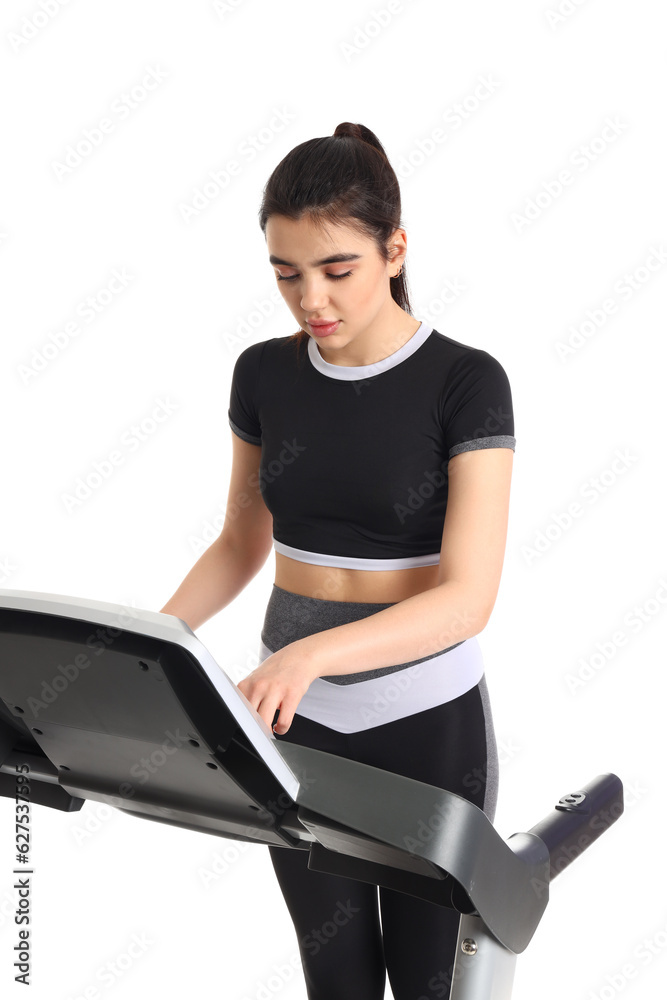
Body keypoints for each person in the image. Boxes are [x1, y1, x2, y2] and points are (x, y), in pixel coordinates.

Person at [160, 121, 515, 1000]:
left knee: (429, 982)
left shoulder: (465, 383)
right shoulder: (263, 375)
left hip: (427, 726)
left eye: (336, 269)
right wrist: (151, 643)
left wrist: (312, 653)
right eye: (285, 274)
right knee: (337, 979)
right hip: (293, 724)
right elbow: (242, 541)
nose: (309, 298)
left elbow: (467, 599)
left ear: (394, 248)